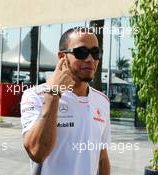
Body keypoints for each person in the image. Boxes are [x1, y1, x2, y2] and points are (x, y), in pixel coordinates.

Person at [21, 27, 111, 175]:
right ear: (62, 57)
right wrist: (53, 94)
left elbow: (101, 157)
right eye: (81, 52)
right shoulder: (35, 96)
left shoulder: (102, 101)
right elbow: (37, 152)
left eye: (96, 53)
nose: (90, 59)